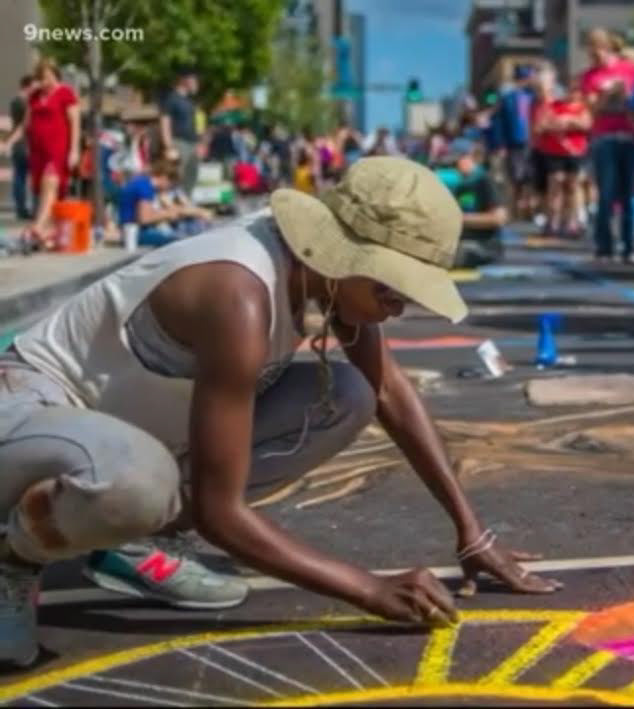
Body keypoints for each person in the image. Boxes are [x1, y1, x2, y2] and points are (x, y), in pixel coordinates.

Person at [0, 157, 560, 668]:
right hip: (29, 412)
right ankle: (13, 557)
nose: (401, 305)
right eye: (393, 288)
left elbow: (386, 389)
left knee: (347, 394)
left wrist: (472, 533)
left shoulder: (326, 276)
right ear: (347, 255)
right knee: (140, 485)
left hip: (125, 436)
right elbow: (222, 515)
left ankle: (131, 536)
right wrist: (368, 589)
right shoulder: (237, 293)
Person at [1, 59, 80, 247]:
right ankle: (47, 232)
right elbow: (25, 124)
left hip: (57, 148)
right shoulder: (35, 96)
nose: (44, 82)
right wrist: (9, 142)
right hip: (37, 151)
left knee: (51, 183)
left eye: (46, 77)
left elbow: (75, 123)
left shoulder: (65, 93)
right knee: (42, 190)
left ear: (54, 74)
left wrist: (74, 150)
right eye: (41, 78)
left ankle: (38, 226)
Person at [582, 28, 634, 262]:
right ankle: (604, 246)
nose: (594, 54)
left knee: (628, 194)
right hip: (604, 136)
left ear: (608, 47)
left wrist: (625, 92)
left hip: (629, 135)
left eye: (597, 48)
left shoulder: (629, 69)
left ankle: (629, 246)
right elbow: (592, 109)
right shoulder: (590, 76)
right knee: (606, 192)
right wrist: (608, 95)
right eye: (590, 50)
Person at [533, 65, 593, 239]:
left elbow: (586, 124)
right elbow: (540, 125)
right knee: (555, 183)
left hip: (575, 151)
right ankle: (553, 221)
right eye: (569, 89)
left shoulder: (582, 107)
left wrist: (568, 121)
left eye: (576, 89)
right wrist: (561, 123)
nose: (572, 92)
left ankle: (572, 222)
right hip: (554, 151)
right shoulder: (553, 105)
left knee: (573, 186)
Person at [442, 139, 509, 268]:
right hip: (461, 241)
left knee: (445, 256)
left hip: (483, 245)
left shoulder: (484, 180)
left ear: (471, 157)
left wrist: (460, 219)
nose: (454, 166)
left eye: (457, 161)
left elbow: (499, 218)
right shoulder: (459, 183)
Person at [117, 159, 213, 248]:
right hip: (135, 232)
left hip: (135, 230)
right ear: (164, 178)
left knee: (189, 228)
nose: (169, 188)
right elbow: (144, 219)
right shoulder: (145, 187)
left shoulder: (144, 184)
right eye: (170, 184)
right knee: (181, 239)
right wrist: (167, 214)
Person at [495, 64, 538, 220]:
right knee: (515, 177)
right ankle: (515, 209)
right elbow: (500, 122)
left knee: (530, 177)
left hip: (533, 142)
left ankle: (530, 209)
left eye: (525, 78)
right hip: (514, 142)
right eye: (520, 79)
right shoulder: (508, 98)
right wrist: (500, 144)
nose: (523, 82)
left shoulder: (534, 97)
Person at [160, 69, 201, 195]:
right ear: (185, 81)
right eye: (194, 80)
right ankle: (172, 207)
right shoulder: (171, 99)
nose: (196, 84)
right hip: (179, 143)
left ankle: (186, 204)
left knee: (191, 177)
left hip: (192, 144)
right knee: (176, 177)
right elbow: (165, 122)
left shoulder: (189, 101)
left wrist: (199, 143)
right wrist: (169, 146)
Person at [8, 76, 33, 221]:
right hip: (26, 142)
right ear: (27, 86)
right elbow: (26, 123)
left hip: (17, 143)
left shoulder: (14, 101)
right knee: (24, 176)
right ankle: (24, 208)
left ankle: (20, 207)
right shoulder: (26, 102)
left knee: (19, 176)